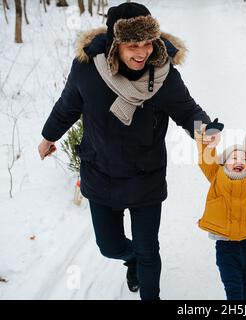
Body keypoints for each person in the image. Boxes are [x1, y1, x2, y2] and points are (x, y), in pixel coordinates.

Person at [37, 2, 219, 300]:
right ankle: (129, 257)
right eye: (132, 44)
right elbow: (69, 103)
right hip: (100, 171)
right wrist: (49, 136)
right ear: (114, 45)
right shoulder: (87, 68)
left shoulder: (163, 72)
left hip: (145, 175)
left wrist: (204, 129)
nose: (142, 52)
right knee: (109, 247)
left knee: (149, 250)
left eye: (147, 43)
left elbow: (186, 108)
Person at [195, 128, 246, 300]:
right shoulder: (215, 174)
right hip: (225, 245)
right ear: (223, 162)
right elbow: (205, 157)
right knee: (234, 288)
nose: (240, 161)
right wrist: (206, 136)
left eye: (245, 159)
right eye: (234, 157)